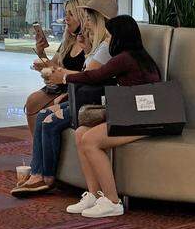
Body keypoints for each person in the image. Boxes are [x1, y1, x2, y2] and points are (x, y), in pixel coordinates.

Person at [44, 15, 161, 217]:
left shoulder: (125, 58)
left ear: (119, 37)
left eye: (109, 36)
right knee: (81, 132)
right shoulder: (138, 57)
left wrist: (64, 76)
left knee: (89, 140)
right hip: (135, 115)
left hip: (146, 120)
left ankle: (112, 201)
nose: (107, 41)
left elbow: (95, 76)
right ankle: (93, 194)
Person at [12, 0, 117, 195]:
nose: (84, 21)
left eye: (87, 17)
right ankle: (39, 172)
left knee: (48, 118)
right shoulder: (86, 43)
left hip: (89, 100)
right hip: (76, 94)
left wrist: (65, 80)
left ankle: (46, 176)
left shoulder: (104, 46)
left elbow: (89, 77)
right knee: (40, 112)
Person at [23, 0, 85, 134]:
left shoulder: (87, 41)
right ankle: (37, 145)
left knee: (41, 108)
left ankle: (41, 146)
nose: (66, 18)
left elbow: (85, 73)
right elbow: (54, 65)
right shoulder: (68, 41)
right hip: (60, 84)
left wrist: (51, 66)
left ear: (82, 16)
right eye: (65, 13)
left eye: (71, 14)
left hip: (74, 86)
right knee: (32, 101)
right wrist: (41, 52)